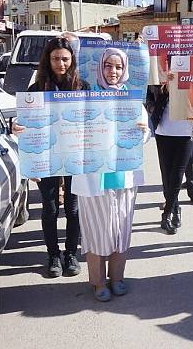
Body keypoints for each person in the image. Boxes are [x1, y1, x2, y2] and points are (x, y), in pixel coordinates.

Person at [71, 47, 150, 301]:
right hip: (94, 177)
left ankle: (117, 278)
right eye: (107, 66)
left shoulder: (133, 101)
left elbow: (145, 133)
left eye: (117, 67)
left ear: (124, 69)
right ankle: (97, 282)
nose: (113, 71)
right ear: (100, 68)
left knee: (120, 229)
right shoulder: (86, 98)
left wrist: (142, 131)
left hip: (123, 177)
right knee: (96, 231)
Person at [13, 37, 90, 278]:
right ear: (48, 60)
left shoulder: (82, 87)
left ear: (72, 60)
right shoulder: (36, 91)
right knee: (49, 208)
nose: (61, 63)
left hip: (75, 156)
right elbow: (27, 124)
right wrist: (18, 127)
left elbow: (94, 122)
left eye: (65, 59)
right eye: (55, 58)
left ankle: (71, 254)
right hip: (46, 157)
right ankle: (53, 255)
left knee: (73, 208)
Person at [147, 81, 193, 235]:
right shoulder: (161, 79)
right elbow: (149, 98)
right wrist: (164, 85)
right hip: (164, 132)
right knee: (167, 174)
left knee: (177, 176)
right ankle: (175, 209)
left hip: (185, 134)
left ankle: (166, 215)